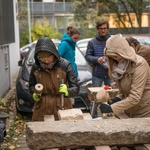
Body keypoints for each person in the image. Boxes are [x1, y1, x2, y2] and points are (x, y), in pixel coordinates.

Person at [29, 37, 79, 121]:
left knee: (64, 132)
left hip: (62, 107)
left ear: (54, 54)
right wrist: (34, 93)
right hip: (41, 108)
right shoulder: (36, 67)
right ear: (38, 57)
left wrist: (68, 91)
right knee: (40, 132)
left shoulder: (65, 65)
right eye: (42, 58)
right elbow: (31, 86)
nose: (46, 61)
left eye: (48, 57)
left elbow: (76, 88)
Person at [99, 35, 150, 118]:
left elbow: (135, 97)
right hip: (129, 109)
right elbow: (123, 89)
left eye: (116, 56)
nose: (115, 59)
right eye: (112, 57)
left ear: (123, 53)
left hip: (143, 111)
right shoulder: (120, 65)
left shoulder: (139, 65)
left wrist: (111, 108)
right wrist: (117, 99)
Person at [85, 19, 113, 118]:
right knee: (95, 97)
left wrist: (109, 58)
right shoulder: (92, 42)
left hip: (111, 73)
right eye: (101, 29)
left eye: (105, 28)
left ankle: (112, 115)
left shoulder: (112, 40)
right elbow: (87, 56)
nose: (103, 30)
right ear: (98, 29)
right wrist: (97, 59)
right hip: (97, 74)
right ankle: (94, 117)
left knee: (112, 96)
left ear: (107, 28)